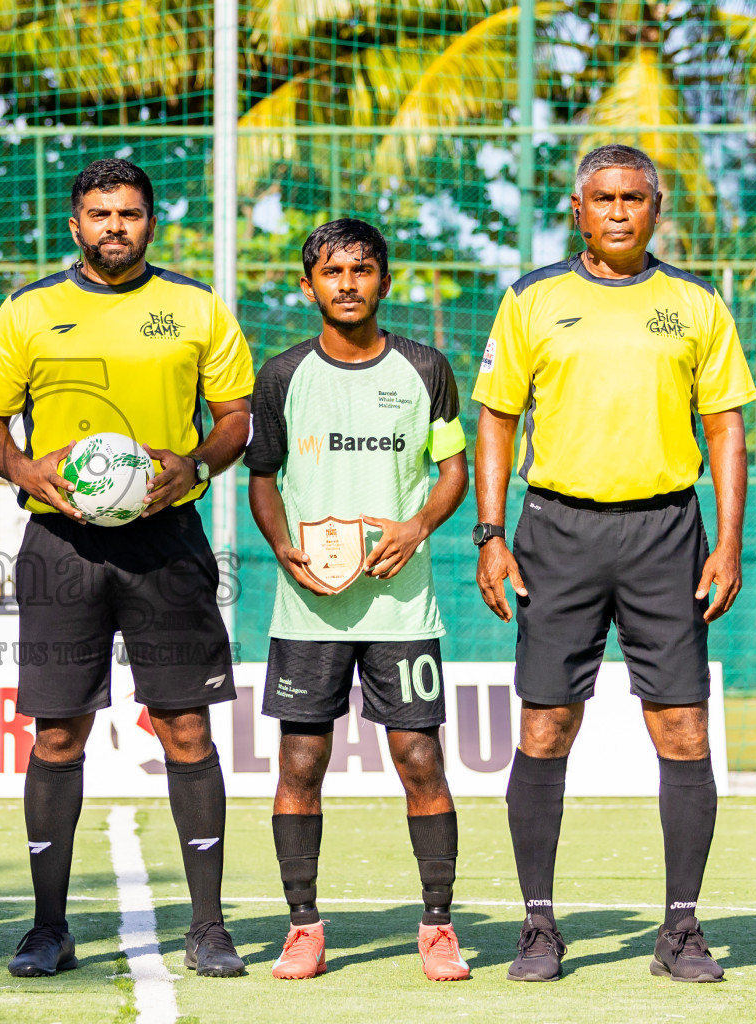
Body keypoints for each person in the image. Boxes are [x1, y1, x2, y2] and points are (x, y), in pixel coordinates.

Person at [473, 144, 756, 983]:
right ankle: (537, 925)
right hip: (555, 533)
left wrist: (729, 541)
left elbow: (726, 428)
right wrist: (490, 533)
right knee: (546, 726)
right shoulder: (532, 298)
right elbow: (495, 418)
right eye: (605, 198)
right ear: (578, 208)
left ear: (657, 208)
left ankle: (680, 928)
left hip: (668, 533)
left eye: (635, 198)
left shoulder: (697, 303)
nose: (620, 211)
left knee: (683, 728)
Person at [0, 158, 255, 979]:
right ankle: (48, 927)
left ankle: (208, 926)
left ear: (151, 223)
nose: (114, 227)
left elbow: (234, 418)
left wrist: (194, 467)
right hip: (61, 546)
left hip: (166, 543)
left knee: (186, 727)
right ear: (75, 224)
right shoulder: (29, 312)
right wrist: (26, 470)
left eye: (129, 214)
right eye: (99, 214)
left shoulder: (195, 307)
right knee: (59, 732)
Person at [246, 218, 471, 982]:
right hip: (309, 609)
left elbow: (453, 472)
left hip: (402, 610)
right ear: (307, 286)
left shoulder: (426, 367)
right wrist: (283, 549)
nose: (348, 283)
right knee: (302, 763)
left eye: (362, 269)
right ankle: (303, 926)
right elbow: (263, 479)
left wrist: (416, 526)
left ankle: (438, 926)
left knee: (419, 758)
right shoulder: (280, 375)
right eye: (332, 272)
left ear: (384, 280)